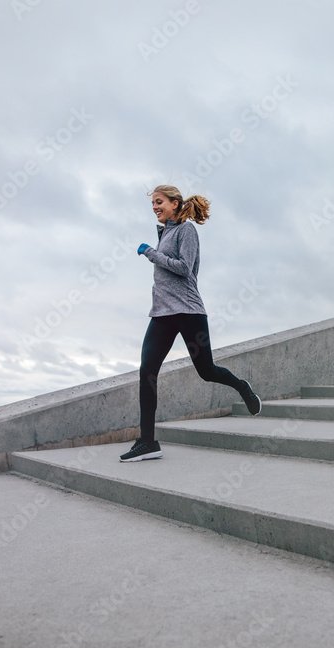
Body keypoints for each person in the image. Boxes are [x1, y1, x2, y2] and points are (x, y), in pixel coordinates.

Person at [120, 185, 262, 462]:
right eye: (153, 204)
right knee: (147, 371)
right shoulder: (166, 233)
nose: (155, 207)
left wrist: (151, 252)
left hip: (188, 311)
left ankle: (242, 387)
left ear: (175, 203)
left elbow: (185, 268)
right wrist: (157, 247)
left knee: (206, 371)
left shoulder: (186, 230)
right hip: (161, 314)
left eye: (159, 202)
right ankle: (147, 441)